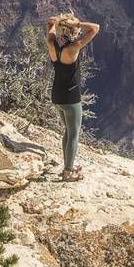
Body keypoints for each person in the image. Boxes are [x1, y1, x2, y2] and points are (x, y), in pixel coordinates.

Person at [45, 13, 99, 182]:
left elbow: (50, 24)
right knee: (74, 134)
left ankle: (68, 165)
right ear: (73, 31)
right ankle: (68, 171)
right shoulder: (73, 47)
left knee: (68, 132)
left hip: (57, 96)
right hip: (71, 98)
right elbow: (95, 28)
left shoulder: (52, 43)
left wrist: (60, 24)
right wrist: (77, 24)